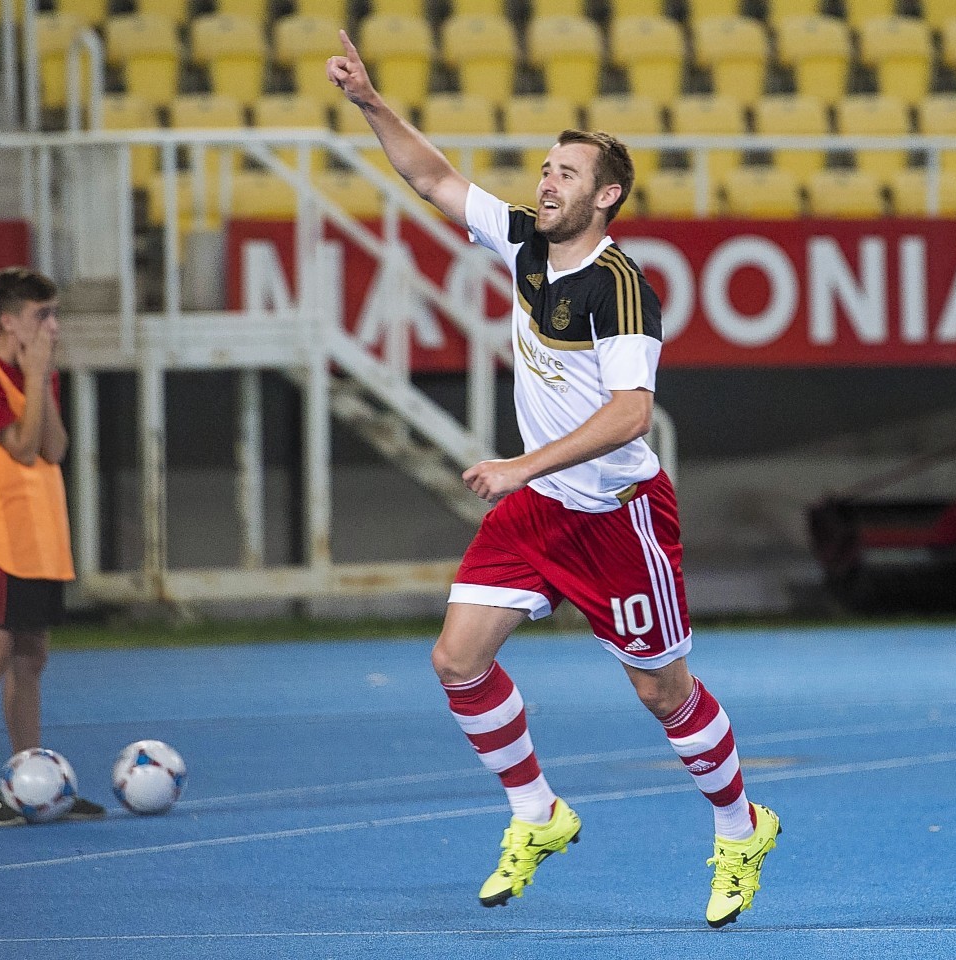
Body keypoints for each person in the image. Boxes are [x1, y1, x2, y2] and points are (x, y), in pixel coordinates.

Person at [326, 34, 780, 928]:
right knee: (456, 659)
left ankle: (741, 825)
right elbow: (434, 179)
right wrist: (373, 103)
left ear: (606, 195)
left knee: (664, 694)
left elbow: (628, 415)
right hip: (540, 510)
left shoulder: (620, 287)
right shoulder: (528, 246)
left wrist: (518, 465)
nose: (546, 182)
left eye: (565, 173)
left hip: (618, 515)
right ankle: (538, 812)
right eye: (544, 169)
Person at [0, 266, 104, 827]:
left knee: (31, 656)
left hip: (40, 539)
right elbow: (18, 448)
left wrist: (41, 380)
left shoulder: (37, 374)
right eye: (43, 316)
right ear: (9, 321)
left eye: (55, 314)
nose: (54, 327)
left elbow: (54, 448)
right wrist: (35, 381)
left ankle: (33, 781)